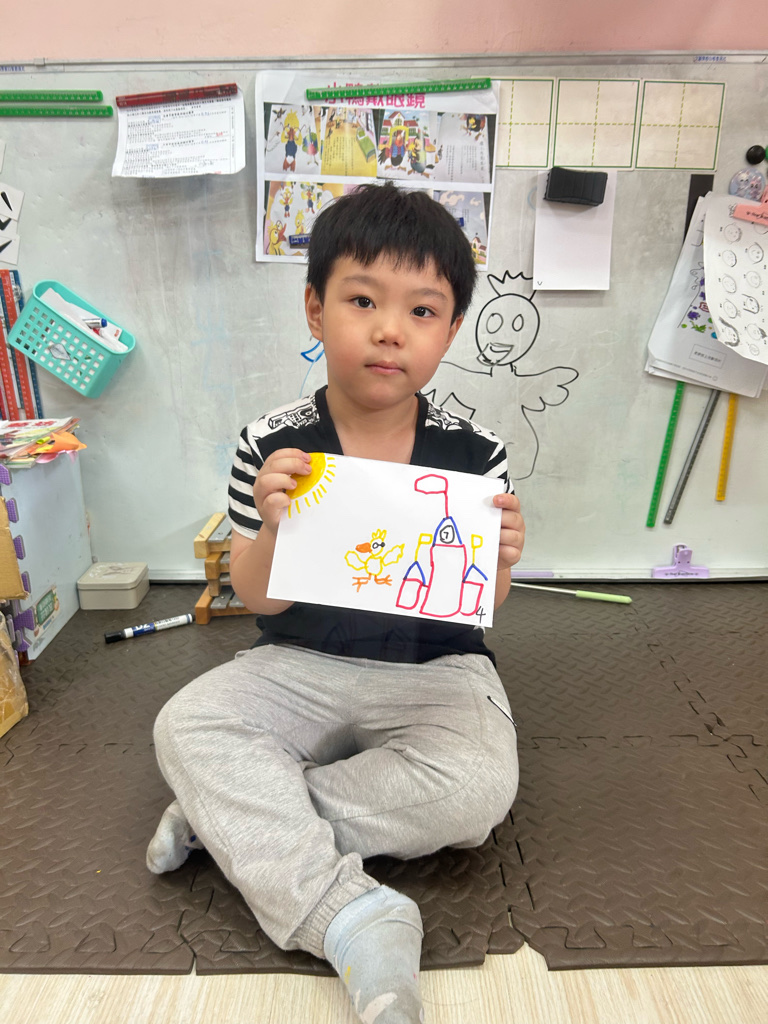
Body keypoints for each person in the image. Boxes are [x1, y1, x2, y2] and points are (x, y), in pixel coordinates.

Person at [146, 182, 525, 1024]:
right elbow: (255, 596)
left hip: (437, 668)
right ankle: (353, 917)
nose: (390, 329)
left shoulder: (477, 453)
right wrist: (275, 526)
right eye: (362, 301)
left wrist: (499, 559)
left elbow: (479, 605)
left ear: (450, 330)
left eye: (422, 311)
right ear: (316, 311)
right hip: (298, 659)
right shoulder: (271, 444)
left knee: (477, 788)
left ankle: (232, 815)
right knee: (188, 723)